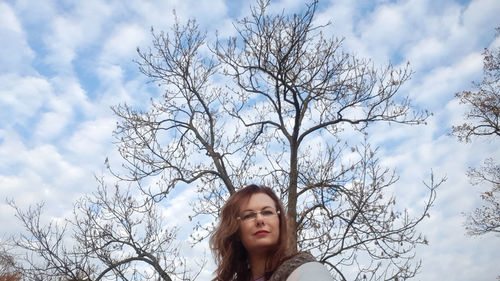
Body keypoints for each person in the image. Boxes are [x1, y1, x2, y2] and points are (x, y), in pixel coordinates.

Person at [210, 184, 334, 281]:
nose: (260, 220)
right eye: (248, 215)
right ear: (235, 230)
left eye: (267, 212)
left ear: (279, 222)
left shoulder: (305, 270)